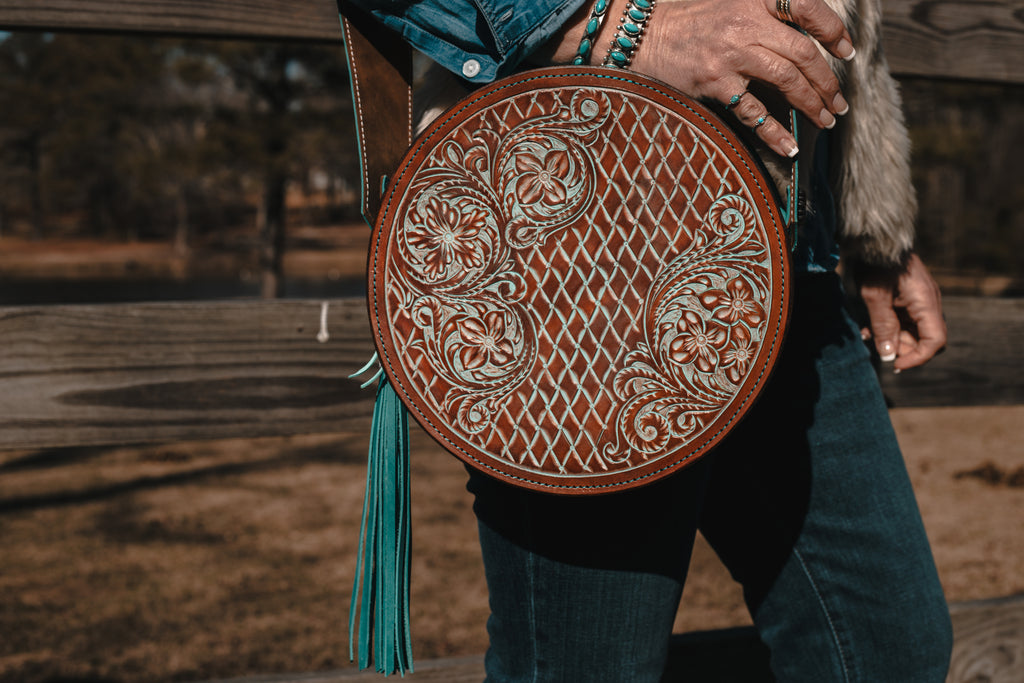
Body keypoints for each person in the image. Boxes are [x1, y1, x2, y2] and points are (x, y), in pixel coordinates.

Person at [348, 0, 954, 679]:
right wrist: (617, 28)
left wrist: (872, 223)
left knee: (887, 649)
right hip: (581, 269)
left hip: (786, 254)